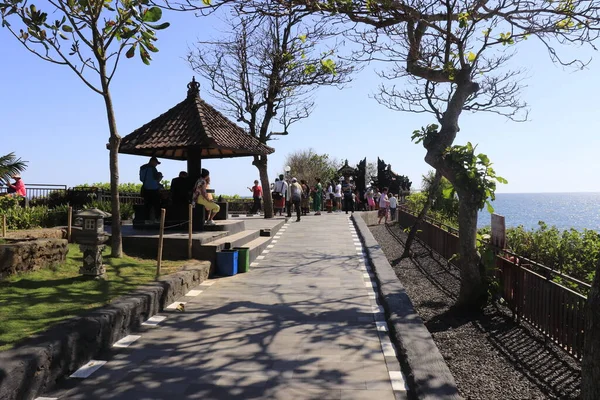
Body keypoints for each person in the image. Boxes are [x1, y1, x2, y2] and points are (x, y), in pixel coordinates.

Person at [139, 156, 162, 223]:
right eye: (156, 163)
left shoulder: (142, 168)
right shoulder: (153, 168)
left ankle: (147, 220)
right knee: (157, 205)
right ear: (152, 161)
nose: (156, 164)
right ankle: (157, 219)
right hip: (154, 189)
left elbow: (141, 179)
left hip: (146, 189)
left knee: (147, 206)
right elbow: (156, 178)